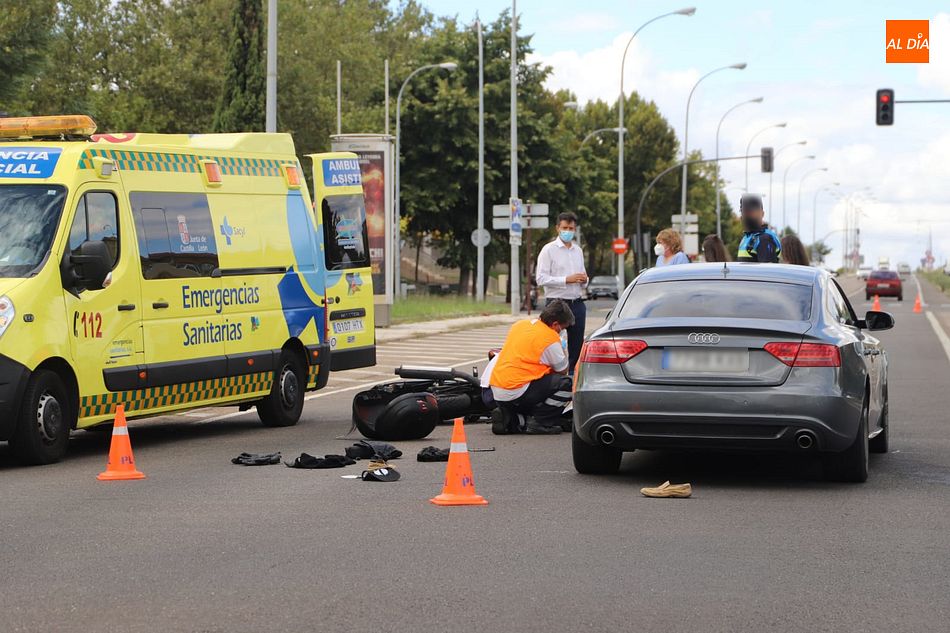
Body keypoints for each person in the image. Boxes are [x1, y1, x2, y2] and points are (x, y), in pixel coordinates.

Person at [481, 300, 575, 435]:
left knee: (543, 381)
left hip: (497, 389)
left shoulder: (520, 325)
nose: (562, 331)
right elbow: (563, 369)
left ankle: (515, 418)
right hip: (518, 391)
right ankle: (540, 422)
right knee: (567, 384)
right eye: (563, 328)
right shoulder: (550, 338)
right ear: (555, 324)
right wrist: (562, 347)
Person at [536, 211, 587, 372]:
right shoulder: (548, 250)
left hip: (577, 302)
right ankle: (550, 376)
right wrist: (566, 279)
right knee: (551, 343)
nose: (568, 231)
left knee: (577, 346)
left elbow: (582, 276)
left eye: (571, 228)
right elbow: (541, 279)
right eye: (564, 227)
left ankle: (572, 378)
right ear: (557, 228)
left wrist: (585, 280)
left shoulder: (578, 251)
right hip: (556, 304)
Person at [737, 194, 781, 263]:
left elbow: (768, 272)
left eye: (751, 212)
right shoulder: (748, 237)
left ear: (762, 213)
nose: (747, 216)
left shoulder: (765, 239)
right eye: (744, 212)